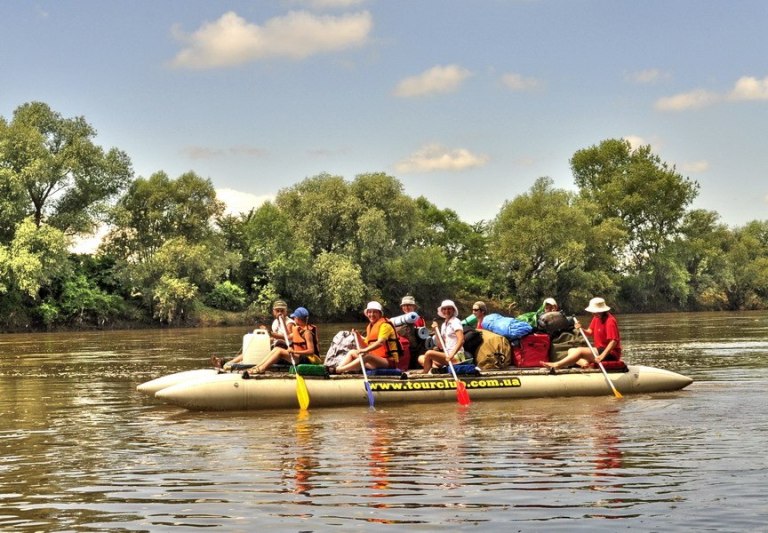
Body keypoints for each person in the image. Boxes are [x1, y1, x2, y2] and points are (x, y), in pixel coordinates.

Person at [212, 299, 294, 369]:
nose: (280, 313)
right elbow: (276, 338)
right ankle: (228, 363)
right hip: (276, 345)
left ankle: (231, 364)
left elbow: (289, 338)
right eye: (277, 311)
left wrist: (271, 332)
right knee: (253, 347)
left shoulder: (289, 323)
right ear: (273, 312)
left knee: (256, 352)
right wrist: (264, 338)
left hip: (284, 348)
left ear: (286, 312)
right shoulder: (275, 322)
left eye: (282, 311)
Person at [543, 297, 622, 370]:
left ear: (602, 311)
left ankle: (557, 365)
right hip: (600, 350)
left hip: (611, 353)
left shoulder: (610, 321)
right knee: (571, 350)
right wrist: (581, 328)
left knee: (580, 351)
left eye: (595, 311)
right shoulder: (596, 318)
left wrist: (602, 356)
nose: (593, 313)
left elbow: (613, 341)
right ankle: (584, 364)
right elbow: (590, 332)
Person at [247, 307, 320, 374]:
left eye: (294, 317)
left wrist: (294, 351)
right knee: (276, 349)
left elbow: (311, 351)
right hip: (300, 357)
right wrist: (269, 331)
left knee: (280, 351)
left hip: (308, 360)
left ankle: (262, 369)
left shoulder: (307, 333)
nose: (293, 319)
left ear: (297, 319)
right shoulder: (299, 329)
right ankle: (257, 367)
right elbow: (287, 337)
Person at [334, 301, 400, 374]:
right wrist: (358, 336)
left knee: (367, 356)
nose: (371, 314)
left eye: (375, 312)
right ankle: (337, 370)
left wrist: (364, 350)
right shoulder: (370, 327)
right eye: (369, 312)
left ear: (380, 314)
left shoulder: (385, 326)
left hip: (389, 362)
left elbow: (380, 342)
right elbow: (364, 346)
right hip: (375, 360)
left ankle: (339, 370)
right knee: (352, 352)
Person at [418, 299, 465, 373]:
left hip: (457, 356)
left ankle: (425, 373)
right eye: (444, 309)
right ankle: (437, 369)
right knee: (421, 358)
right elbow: (440, 345)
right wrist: (436, 331)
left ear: (453, 310)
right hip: (447, 356)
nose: (447, 311)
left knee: (429, 353)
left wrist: (452, 355)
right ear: (442, 311)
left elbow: (461, 340)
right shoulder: (443, 325)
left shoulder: (455, 322)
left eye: (449, 308)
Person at [395, 295, 426, 367]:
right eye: (404, 306)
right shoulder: (398, 320)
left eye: (409, 305)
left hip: (415, 349)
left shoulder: (419, 319)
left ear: (414, 307)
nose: (406, 307)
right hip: (402, 348)